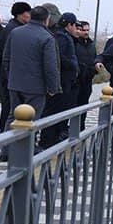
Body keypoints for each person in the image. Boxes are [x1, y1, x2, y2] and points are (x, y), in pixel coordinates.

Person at [0, 6, 61, 159]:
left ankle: (6, 151)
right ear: (46, 20)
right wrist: (53, 87)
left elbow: (6, 58)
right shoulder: (47, 37)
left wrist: (10, 77)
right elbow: (50, 67)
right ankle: (26, 151)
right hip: (36, 86)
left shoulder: (16, 32)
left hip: (14, 83)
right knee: (32, 119)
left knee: (12, 117)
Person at [39, 10, 80, 149]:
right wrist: (73, 64)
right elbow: (59, 58)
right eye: (75, 25)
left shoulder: (62, 35)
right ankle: (47, 140)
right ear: (69, 24)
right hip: (61, 80)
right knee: (54, 110)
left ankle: (54, 137)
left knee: (59, 110)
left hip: (65, 80)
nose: (76, 28)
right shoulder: (61, 37)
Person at [0, 1, 33, 132]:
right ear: (21, 14)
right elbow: (6, 55)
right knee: (9, 106)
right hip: (8, 75)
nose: (30, 16)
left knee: (10, 106)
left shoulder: (14, 27)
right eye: (28, 13)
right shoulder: (14, 30)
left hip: (8, 74)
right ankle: (5, 133)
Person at [72, 18, 97, 128]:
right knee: (73, 106)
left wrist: (94, 69)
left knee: (84, 105)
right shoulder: (74, 43)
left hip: (87, 81)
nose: (86, 32)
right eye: (83, 30)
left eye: (87, 30)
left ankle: (81, 127)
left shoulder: (91, 45)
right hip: (75, 82)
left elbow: (94, 59)